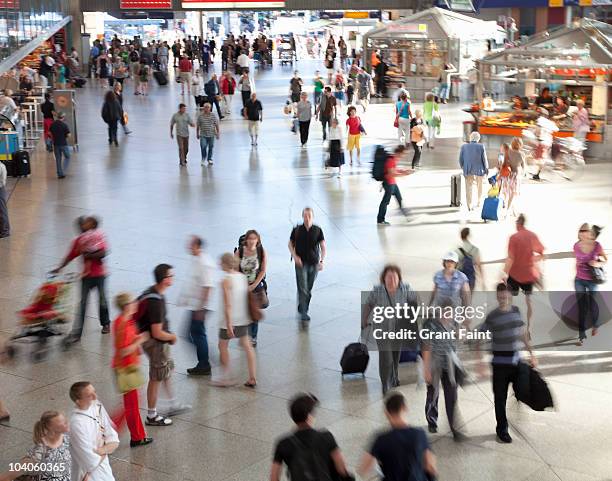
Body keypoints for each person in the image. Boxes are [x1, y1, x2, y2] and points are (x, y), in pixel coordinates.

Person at [476, 283, 536, 444]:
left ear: (509, 295)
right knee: (500, 399)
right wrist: (479, 361)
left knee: (523, 389)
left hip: (517, 361)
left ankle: (517, 399)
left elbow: (523, 334)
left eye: (505, 296)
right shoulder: (492, 316)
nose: (503, 299)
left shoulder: (516, 311)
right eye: (500, 296)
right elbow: (478, 338)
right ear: (497, 297)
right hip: (500, 364)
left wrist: (532, 353)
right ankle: (502, 429)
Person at [136, 264, 190, 426]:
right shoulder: (156, 302)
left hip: (155, 342)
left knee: (166, 370)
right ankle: (152, 415)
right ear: (165, 280)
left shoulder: (151, 292)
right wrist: (172, 337)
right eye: (171, 276)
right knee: (156, 377)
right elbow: (157, 332)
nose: (173, 278)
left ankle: (173, 403)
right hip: (156, 344)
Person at [362, 265, 419, 394]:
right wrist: (364, 319)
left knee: (395, 355)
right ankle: (385, 383)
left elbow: (415, 303)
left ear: (399, 279)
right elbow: (369, 304)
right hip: (382, 328)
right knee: (385, 357)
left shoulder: (406, 288)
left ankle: (394, 377)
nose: (391, 280)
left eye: (394, 277)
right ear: (384, 278)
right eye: (389, 277)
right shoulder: (378, 290)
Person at [52, 216, 110, 341]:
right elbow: (70, 255)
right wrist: (59, 267)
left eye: (85, 224)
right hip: (86, 276)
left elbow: (103, 253)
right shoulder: (79, 241)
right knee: (82, 304)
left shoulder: (98, 236)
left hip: (100, 275)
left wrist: (89, 254)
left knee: (102, 301)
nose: (82, 227)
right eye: (81, 225)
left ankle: (106, 323)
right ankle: (77, 332)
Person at [270, 393, 351, 481]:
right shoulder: (326, 437)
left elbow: (274, 477)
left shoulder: (283, 444)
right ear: (309, 417)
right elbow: (341, 468)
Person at [358, 392, 437, 480]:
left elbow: (363, 469)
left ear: (386, 413)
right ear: (405, 408)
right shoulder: (419, 434)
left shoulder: (381, 440)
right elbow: (430, 467)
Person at [110, 293, 153, 447]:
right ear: (127, 305)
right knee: (130, 406)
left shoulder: (124, 321)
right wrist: (140, 340)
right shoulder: (122, 323)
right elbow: (123, 351)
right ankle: (109, 432)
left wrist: (137, 340)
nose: (136, 304)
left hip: (129, 366)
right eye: (133, 302)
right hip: (125, 368)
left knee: (132, 405)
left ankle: (138, 435)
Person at [210, 253, 257, 388]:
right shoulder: (242, 277)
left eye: (220, 262)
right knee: (248, 347)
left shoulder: (225, 280)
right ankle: (252, 377)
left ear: (225, 264)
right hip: (243, 318)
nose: (219, 264)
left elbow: (228, 304)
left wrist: (229, 324)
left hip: (229, 321)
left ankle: (227, 377)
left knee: (222, 346)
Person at [421, 298, 466, 440]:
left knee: (451, 397)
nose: (447, 316)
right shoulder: (429, 324)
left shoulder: (454, 322)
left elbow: (458, 341)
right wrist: (427, 370)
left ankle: (454, 429)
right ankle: (432, 421)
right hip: (434, 364)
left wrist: (461, 335)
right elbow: (426, 347)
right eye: (445, 312)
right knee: (433, 395)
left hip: (449, 365)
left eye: (450, 313)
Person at [504, 214, 545, 335]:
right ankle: (529, 328)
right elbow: (542, 253)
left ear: (518, 224)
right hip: (529, 274)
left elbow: (511, 258)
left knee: (509, 299)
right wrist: (532, 260)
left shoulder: (514, 237)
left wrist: (505, 272)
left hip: (515, 273)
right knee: (529, 301)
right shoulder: (532, 235)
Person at [0, 411, 71, 481]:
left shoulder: (67, 438)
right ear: (50, 429)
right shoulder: (37, 456)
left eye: (65, 420)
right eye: (63, 422)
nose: (67, 422)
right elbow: (6, 477)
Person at [69, 382, 119, 481]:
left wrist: (101, 450)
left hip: (105, 470)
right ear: (78, 401)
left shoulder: (97, 406)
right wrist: (106, 448)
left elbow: (113, 438)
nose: (95, 396)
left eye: (94, 392)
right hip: (87, 476)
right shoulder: (76, 424)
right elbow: (90, 461)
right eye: (89, 395)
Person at [179, 236, 214, 374]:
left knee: (195, 334)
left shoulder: (204, 262)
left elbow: (208, 286)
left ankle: (205, 362)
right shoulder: (198, 260)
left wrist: (201, 307)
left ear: (197, 246)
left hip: (200, 306)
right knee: (195, 334)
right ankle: (204, 361)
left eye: (190, 244)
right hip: (196, 305)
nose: (188, 247)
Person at [288, 208, 326, 326]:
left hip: (314, 263)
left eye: (309, 215)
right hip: (301, 263)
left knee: (308, 288)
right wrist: (295, 257)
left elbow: (323, 246)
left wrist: (321, 261)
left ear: (312, 217)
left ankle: (302, 305)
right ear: (302, 216)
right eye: (305, 215)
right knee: (302, 287)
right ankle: (304, 311)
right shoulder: (297, 229)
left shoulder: (317, 230)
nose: (307, 218)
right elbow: (290, 244)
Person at [574, 223, 607, 345]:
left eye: (585, 231)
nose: (583, 233)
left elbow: (605, 259)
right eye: (581, 231)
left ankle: (595, 325)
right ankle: (581, 336)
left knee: (592, 305)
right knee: (581, 308)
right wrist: (577, 269)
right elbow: (577, 260)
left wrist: (597, 264)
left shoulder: (597, 246)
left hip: (592, 281)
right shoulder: (576, 246)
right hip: (579, 280)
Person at [235, 230, 267, 347]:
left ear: (258, 240)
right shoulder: (239, 252)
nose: (252, 241)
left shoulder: (261, 252)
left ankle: (252, 336)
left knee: (253, 312)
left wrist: (253, 285)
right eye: (250, 239)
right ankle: (245, 335)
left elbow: (263, 270)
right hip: (241, 285)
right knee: (243, 311)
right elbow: (235, 269)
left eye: (254, 239)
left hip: (255, 285)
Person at [377, 145, 413, 226]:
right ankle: (380, 219)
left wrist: (404, 171)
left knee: (399, 199)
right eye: (404, 153)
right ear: (399, 152)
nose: (404, 155)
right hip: (389, 183)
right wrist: (404, 174)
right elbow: (391, 174)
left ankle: (407, 216)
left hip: (392, 183)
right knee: (385, 202)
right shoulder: (391, 160)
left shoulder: (394, 159)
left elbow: (394, 170)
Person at [459, 131, 489, 211]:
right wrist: (486, 169)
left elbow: (460, 159)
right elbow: (484, 159)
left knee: (468, 187)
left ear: (470, 138)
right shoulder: (481, 146)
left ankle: (469, 205)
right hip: (479, 170)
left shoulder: (464, 147)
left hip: (468, 169)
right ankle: (479, 202)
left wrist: (463, 167)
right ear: (478, 139)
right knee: (480, 187)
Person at [505, 137, 526, 216]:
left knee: (510, 194)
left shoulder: (508, 152)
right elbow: (523, 166)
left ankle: (513, 211)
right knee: (513, 194)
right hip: (516, 176)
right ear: (520, 145)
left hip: (508, 175)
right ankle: (507, 211)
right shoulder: (521, 154)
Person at [49, 111, 71, 178]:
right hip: (63, 144)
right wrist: (64, 136)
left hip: (56, 144)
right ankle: (63, 170)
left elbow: (49, 133)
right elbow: (69, 135)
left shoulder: (53, 124)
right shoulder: (64, 125)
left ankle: (60, 173)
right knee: (67, 156)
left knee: (58, 159)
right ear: (63, 117)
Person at [0, 159, 9, 239]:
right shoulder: (2, 166)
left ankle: (5, 231)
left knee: (2, 210)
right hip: (1, 187)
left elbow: (2, 182)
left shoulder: (1, 167)